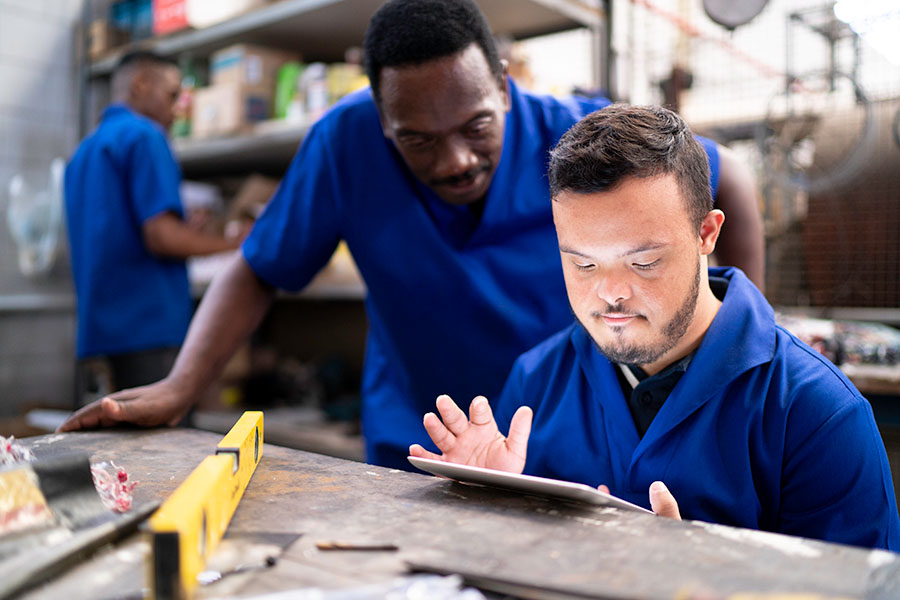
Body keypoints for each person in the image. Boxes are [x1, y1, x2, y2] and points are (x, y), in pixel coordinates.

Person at [59, 0, 764, 471]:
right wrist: (185, 385)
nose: (454, 160)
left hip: (563, 441)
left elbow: (727, 177)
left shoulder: (572, 138)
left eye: (478, 127)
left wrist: (738, 343)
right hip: (417, 441)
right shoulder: (345, 144)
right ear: (381, 116)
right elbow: (258, 267)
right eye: (417, 141)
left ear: (505, 86)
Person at [410, 104, 900, 550]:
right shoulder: (536, 381)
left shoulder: (817, 413)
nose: (611, 294)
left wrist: (704, 582)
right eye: (583, 266)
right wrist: (487, 515)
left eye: (643, 263)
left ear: (707, 233)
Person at [65, 51, 241, 394]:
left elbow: (115, 231)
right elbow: (162, 238)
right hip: (149, 331)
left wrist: (184, 229)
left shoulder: (85, 151)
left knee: (112, 444)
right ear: (141, 83)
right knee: (161, 444)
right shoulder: (145, 135)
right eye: (172, 95)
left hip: (101, 332)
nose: (177, 108)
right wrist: (237, 243)